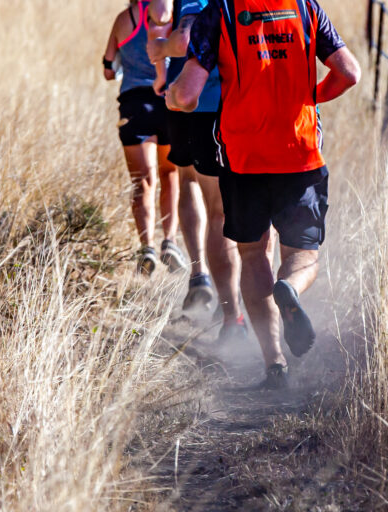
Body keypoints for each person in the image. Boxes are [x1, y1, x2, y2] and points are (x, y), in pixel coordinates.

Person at [166, 0, 361, 388]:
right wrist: (311, 98)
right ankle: (289, 287)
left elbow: (187, 96)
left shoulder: (219, 10)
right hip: (300, 152)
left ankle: (274, 366)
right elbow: (349, 73)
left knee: (253, 253)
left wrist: (170, 97)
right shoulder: (305, 6)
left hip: (244, 159)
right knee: (302, 254)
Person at [147, 0, 245, 340]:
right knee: (234, 200)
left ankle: (208, 283)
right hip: (238, 97)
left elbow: (185, 36)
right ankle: (235, 297)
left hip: (196, 99)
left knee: (197, 188)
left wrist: (160, 48)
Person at [103, 0, 187, 275]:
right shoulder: (176, 15)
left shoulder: (125, 19)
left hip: (134, 104)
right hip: (169, 101)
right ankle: (170, 242)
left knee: (143, 181)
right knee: (169, 174)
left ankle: (146, 246)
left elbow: (107, 69)